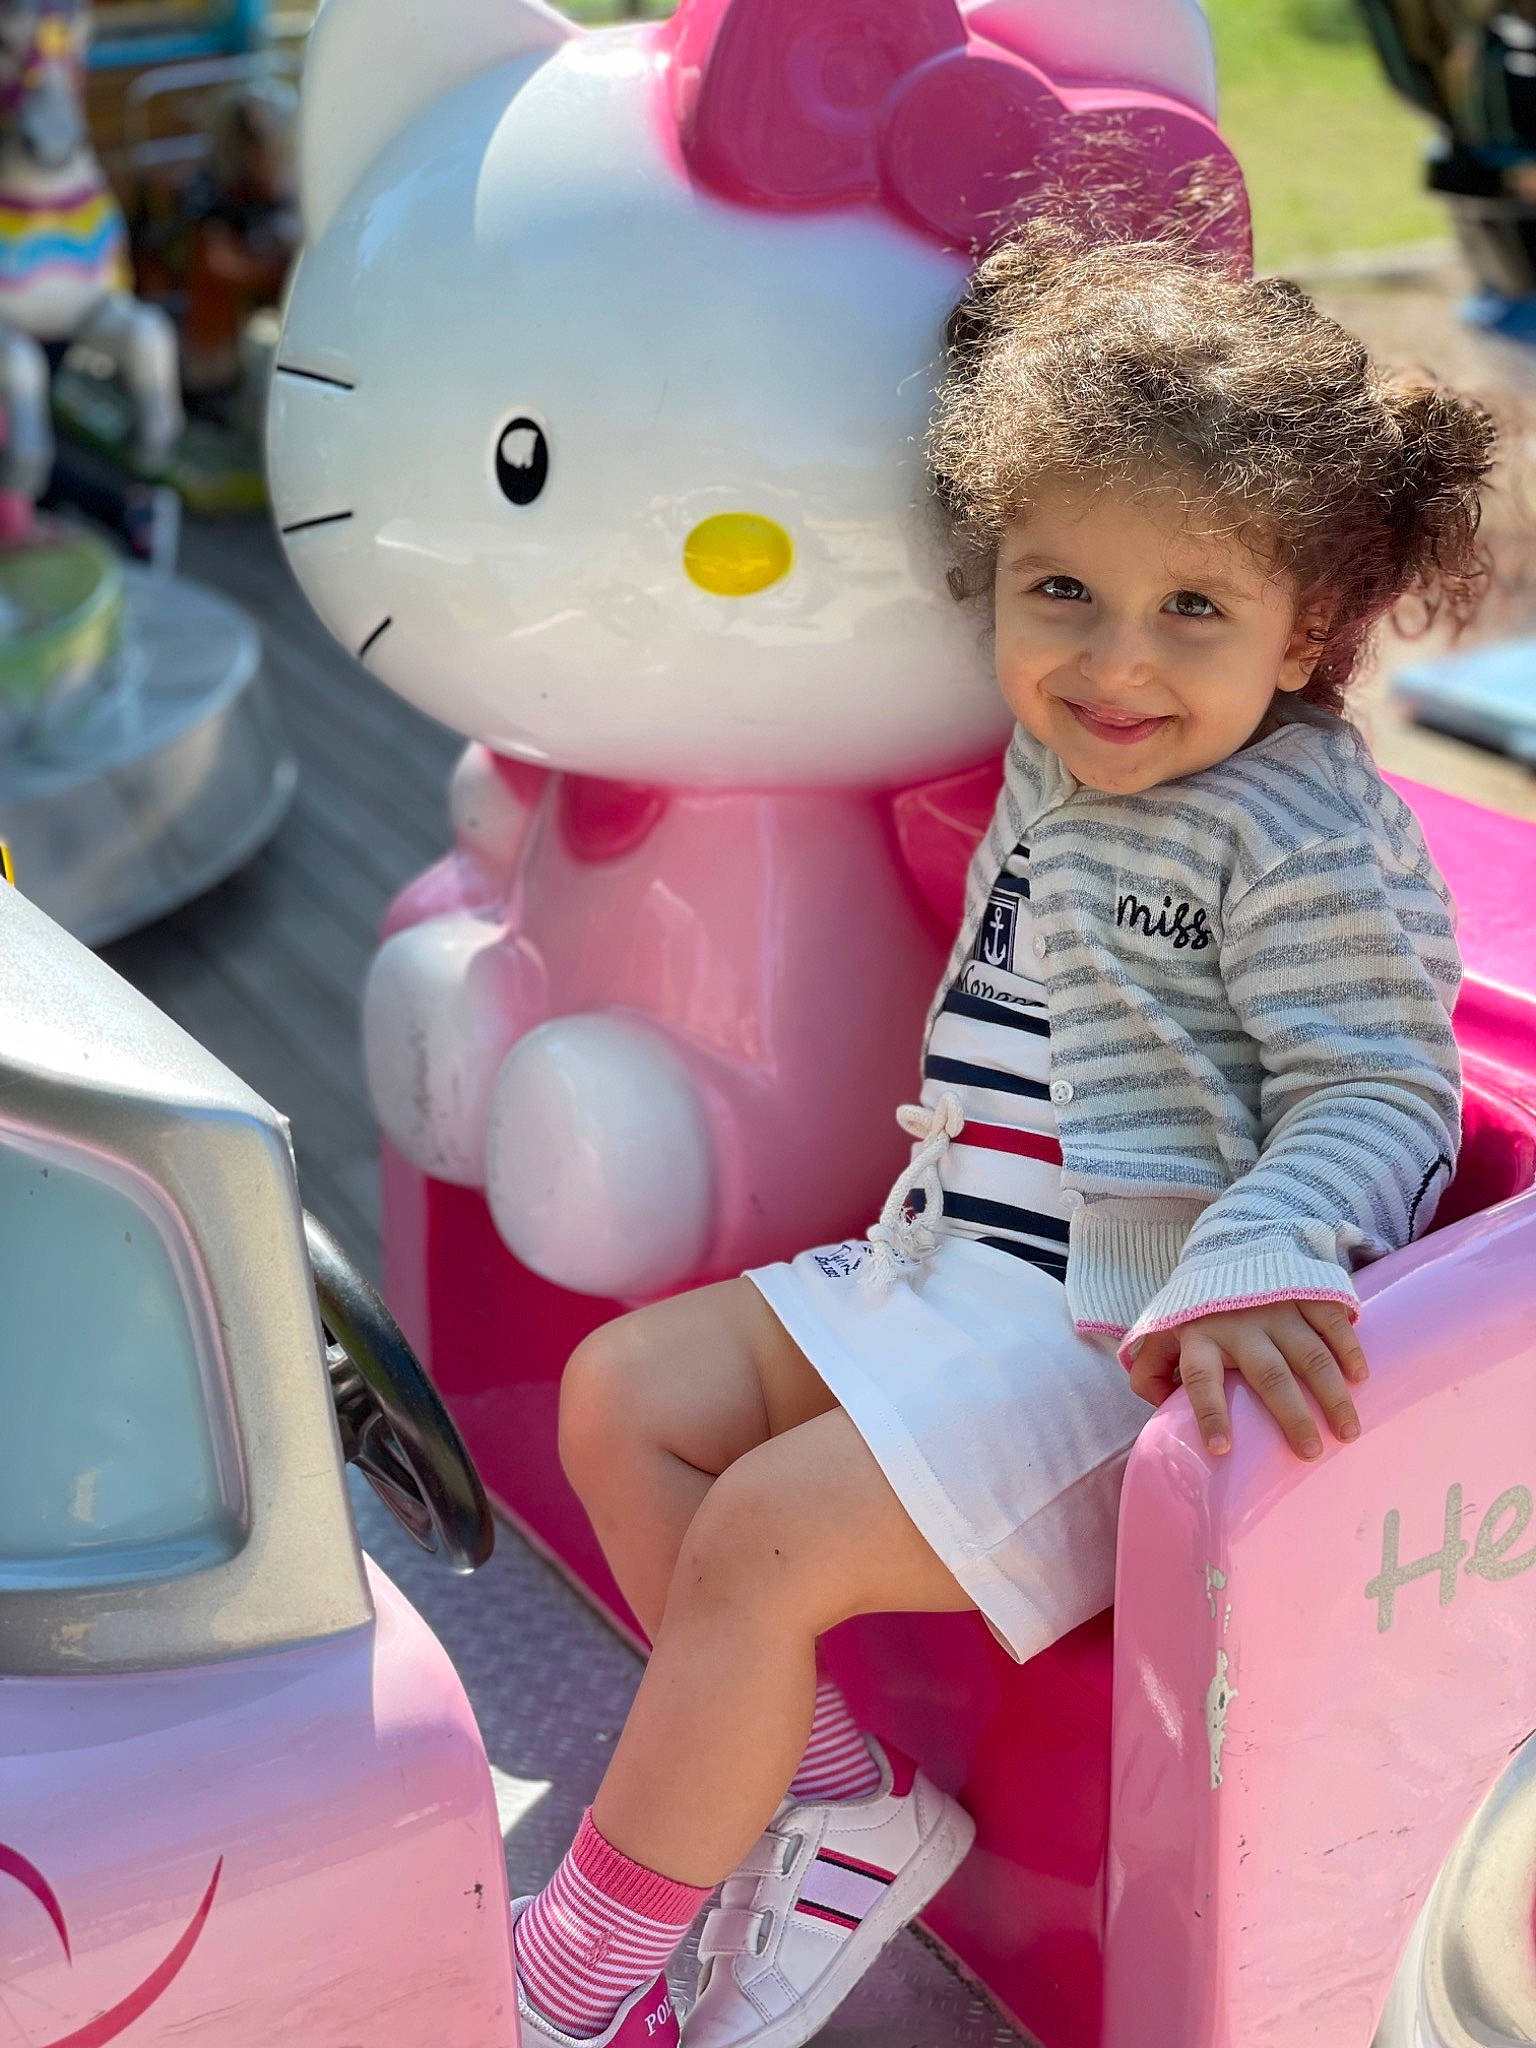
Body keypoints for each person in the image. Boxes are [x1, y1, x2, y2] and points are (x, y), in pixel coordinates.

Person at [508, 222, 1493, 2048]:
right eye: (1061, 592)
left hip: (1102, 1343)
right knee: (618, 1400)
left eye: (1194, 608)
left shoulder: (1301, 836)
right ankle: (835, 1803)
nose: (1115, 664)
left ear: (1314, 627)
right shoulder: (1081, 736)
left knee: (760, 1547)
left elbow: (1381, 1084)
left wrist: (1264, 1252)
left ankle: (572, 1986)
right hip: (941, 1259)